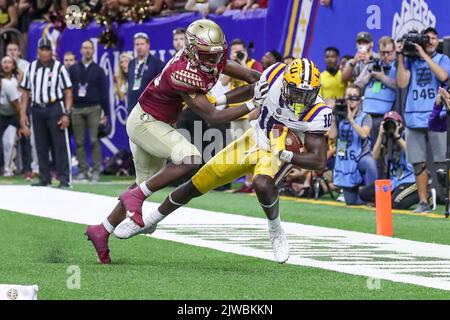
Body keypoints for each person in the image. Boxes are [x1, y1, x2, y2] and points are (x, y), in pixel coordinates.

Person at [113, 58, 330, 265]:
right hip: (252, 139)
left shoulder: (318, 113)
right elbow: (251, 90)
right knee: (198, 182)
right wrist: (220, 100)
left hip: (276, 151)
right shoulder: (275, 74)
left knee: (262, 183)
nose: (301, 99)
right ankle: (150, 222)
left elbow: (319, 161)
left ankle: (275, 231)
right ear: (285, 83)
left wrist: (284, 154)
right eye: (297, 93)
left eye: (306, 94)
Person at [85, 19, 268, 264]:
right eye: (208, 55)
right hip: (146, 123)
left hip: (154, 120)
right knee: (190, 158)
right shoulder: (183, 73)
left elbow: (251, 77)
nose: (215, 61)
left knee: (143, 184)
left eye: (217, 54)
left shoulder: (208, 55)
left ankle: (102, 230)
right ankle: (135, 197)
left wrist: (272, 83)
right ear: (193, 50)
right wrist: (254, 103)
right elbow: (212, 115)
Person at [396, 27, 450, 213]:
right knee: (418, 163)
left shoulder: (442, 59)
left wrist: (424, 55)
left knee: (443, 161)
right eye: (427, 38)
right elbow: (402, 83)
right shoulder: (410, 60)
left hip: (436, 117)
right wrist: (401, 56)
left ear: (438, 42)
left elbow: (443, 76)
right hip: (413, 117)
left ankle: (446, 199)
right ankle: (423, 202)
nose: (430, 41)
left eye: (434, 38)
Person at [20, 37, 73, 188]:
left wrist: (66, 113)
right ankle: (44, 178)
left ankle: (64, 179)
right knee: (40, 145)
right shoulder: (31, 68)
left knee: (59, 145)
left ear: (52, 51)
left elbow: (68, 91)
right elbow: (24, 92)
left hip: (54, 108)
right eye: (41, 49)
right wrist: (23, 115)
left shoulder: (59, 67)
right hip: (36, 108)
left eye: (47, 49)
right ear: (37, 51)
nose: (44, 52)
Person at [221, 38, 264, 193]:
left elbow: (254, 82)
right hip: (234, 112)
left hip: (249, 112)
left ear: (245, 51)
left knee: (252, 148)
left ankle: (252, 182)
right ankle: (247, 182)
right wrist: (233, 64)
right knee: (240, 150)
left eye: (240, 51)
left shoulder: (254, 64)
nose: (237, 54)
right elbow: (224, 82)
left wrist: (243, 63)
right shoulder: (230, 66)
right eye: (234, 51)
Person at [359, 111, 422, 209]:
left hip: (410, 179)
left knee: (395, 203)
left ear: (400, 125)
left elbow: (412, 153)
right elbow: (375, 156)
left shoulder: (406, 134)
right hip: (394, 181)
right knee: (364, 193)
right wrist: (380, 135)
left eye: (393, 123)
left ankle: (426, 193)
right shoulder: (386, 137)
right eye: (387, 123)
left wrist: (397, 137)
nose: (390, 127)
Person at [68, 40, 109, 182]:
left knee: (93, 140)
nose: (87, 51)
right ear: (80, 50)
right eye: (85, 48)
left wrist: (107, 113)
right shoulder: (72, 69)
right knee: (79, 142)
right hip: (77, 108)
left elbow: (104, 93)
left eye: (90, 48)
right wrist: (68, 109)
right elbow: (68, 91)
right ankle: (82, 170)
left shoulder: (98, 70)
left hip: (94, 108)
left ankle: (96, 171)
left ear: (93, 51)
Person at [330, 84, 377, 205]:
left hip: (361, 157)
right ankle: (362, 199)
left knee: (370, 163)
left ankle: (373, 197)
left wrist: (351, 119)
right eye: (348, 97)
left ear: (360, 100)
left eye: (354, 97)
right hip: (346, 158)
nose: (351, 100)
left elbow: (364, 134)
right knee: (351, 202)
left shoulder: (365, 117)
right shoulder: (340, 115)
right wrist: (333, 117)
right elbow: (332, 135)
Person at [0, 61, 31, 176]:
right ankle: (3, 167)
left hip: (15, 113)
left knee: (25, 136)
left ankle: (27, 169)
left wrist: (23, 125)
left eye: (9, 62)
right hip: (2, 114)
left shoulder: (8, 86)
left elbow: (18, 107)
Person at [127, 32, 165, 114]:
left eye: (142, 44)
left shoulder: (157, 63)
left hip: (149, 107)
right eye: (137, 44)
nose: (139, 47)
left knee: (197, 125)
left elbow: (162, 87)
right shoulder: (132, 63)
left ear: (148, 45)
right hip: (132, 106)